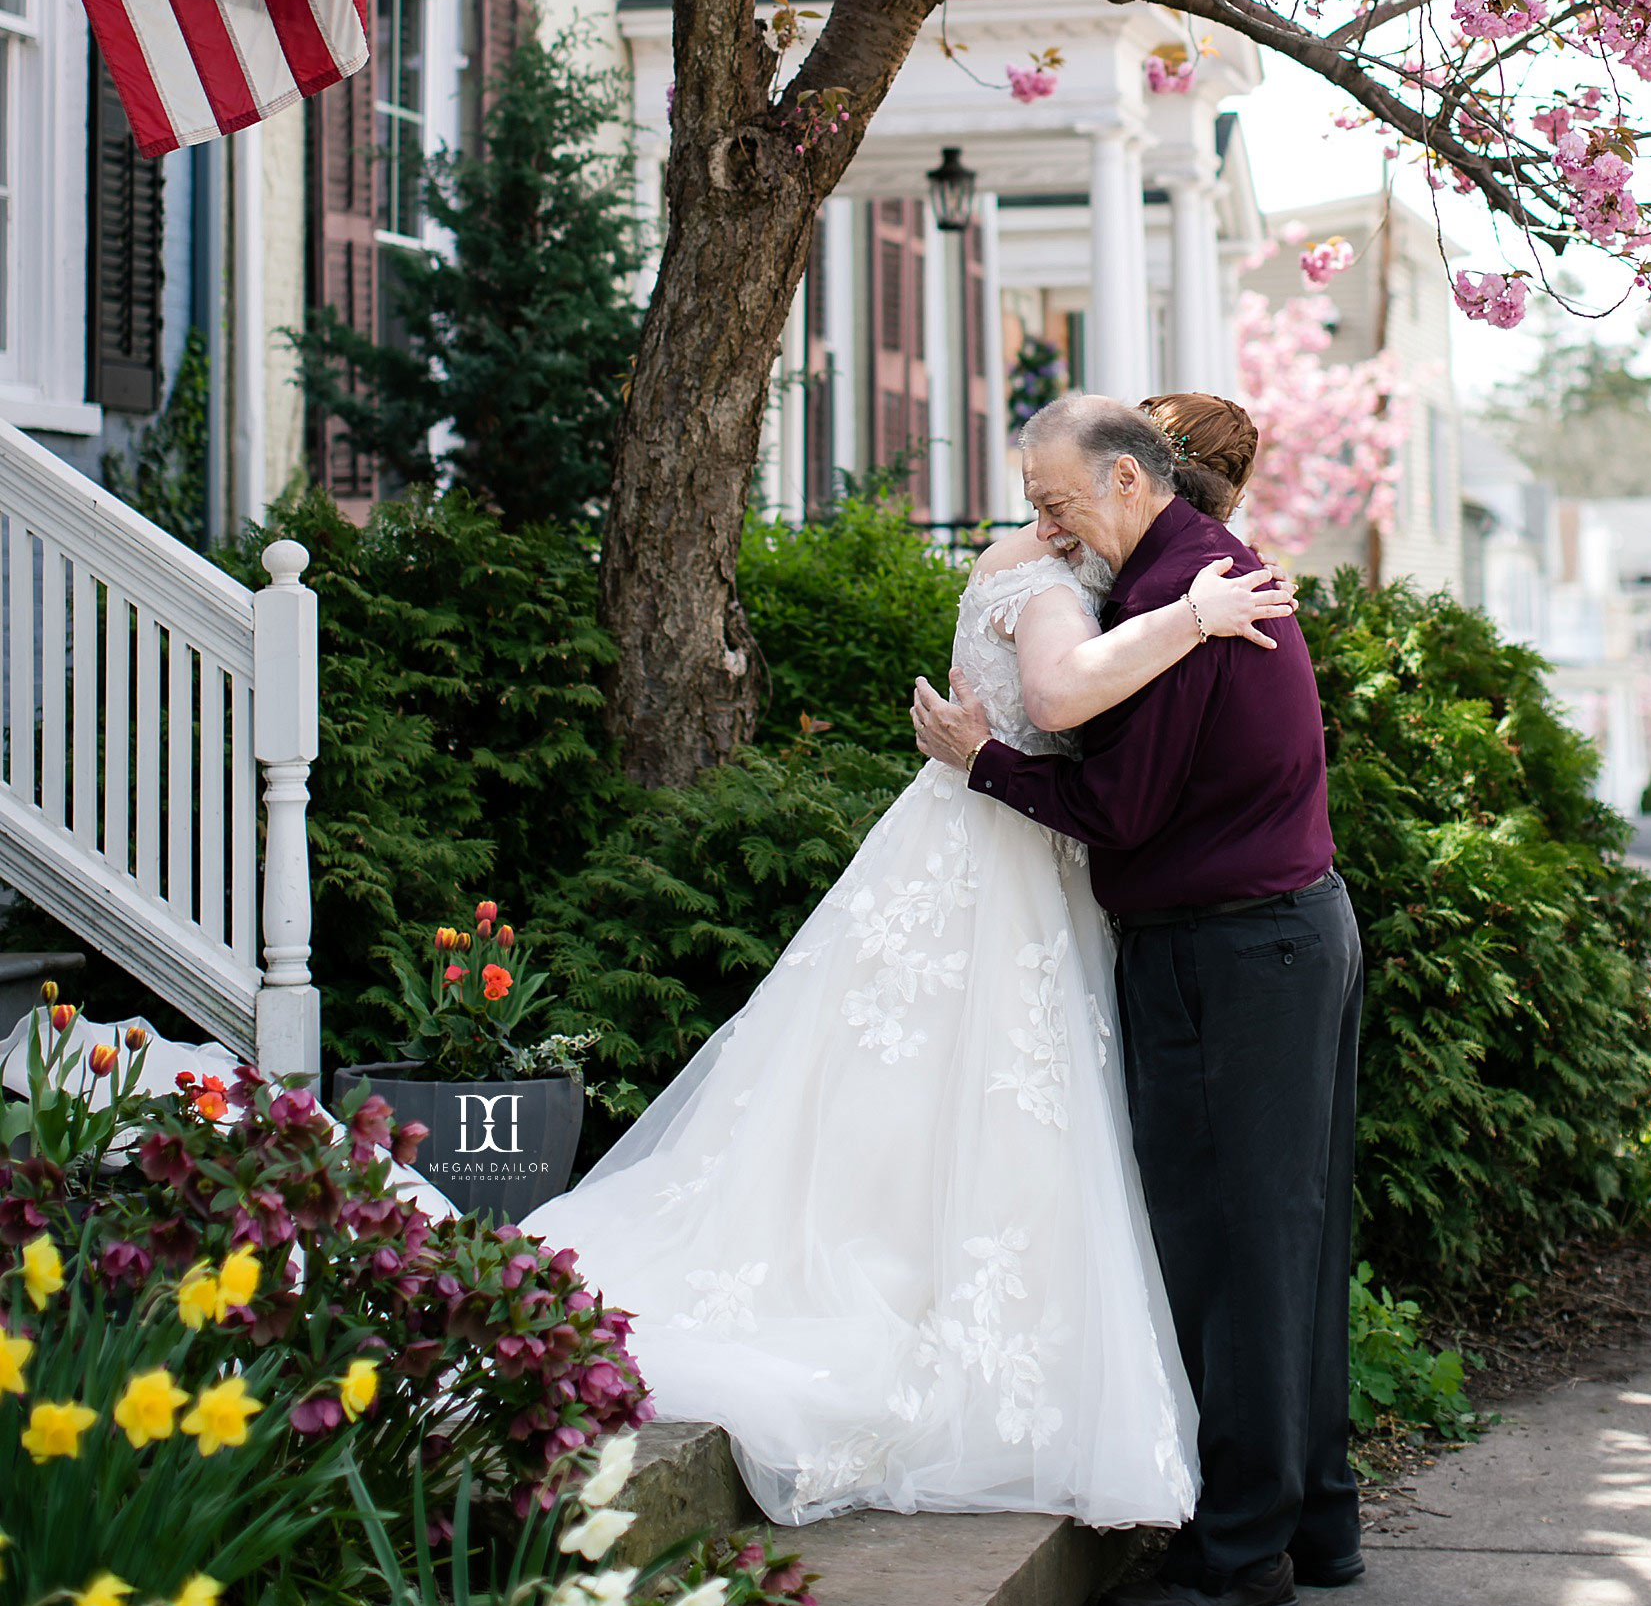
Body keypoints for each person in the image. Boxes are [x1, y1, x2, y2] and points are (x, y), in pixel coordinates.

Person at [525, 496, 1293, 1531]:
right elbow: (1062, 702)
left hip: (975, 831)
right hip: (1006, 847)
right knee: (973, 1080)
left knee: (922, 1081)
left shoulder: (1024, 559)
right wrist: (1189, 617)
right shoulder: (1059, 588)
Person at [912, 393, 1363, 1606]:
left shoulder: (1187, 601)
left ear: (1123, 479)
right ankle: (1311, 1524)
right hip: (1275, 933)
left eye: (1055, 501)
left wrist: (979, 762)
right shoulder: (1193, 577)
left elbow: (1123, 810)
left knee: (1233, 1261)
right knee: (1287, 1251)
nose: (1044, 527)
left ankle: (1238, 1566)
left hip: (1230, 954)